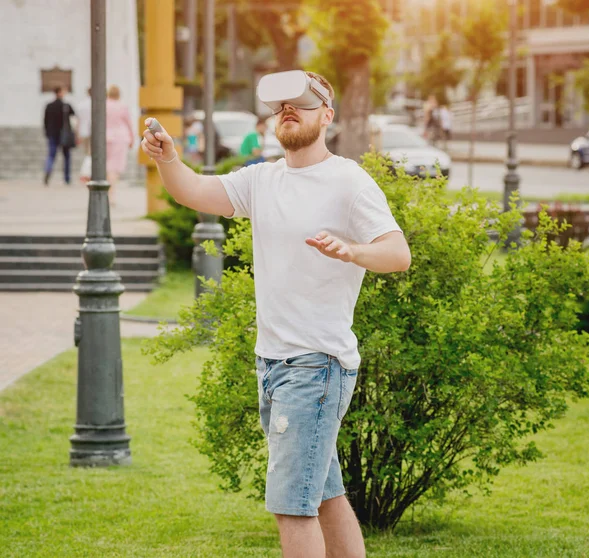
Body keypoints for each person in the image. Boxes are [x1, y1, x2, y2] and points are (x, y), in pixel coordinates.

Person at [141, 70, 411, 558]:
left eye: (303, 103)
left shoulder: (347, 179)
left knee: (292, 507)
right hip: (274, 366)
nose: (289, 110)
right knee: (325, 495)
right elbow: (194, 191)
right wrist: (169, 161)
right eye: (282, 104)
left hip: (316, 365)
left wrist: (352, 251)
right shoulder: (261, 179)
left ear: (327, 115)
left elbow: (397, 253)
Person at [105, 85, 135, 205]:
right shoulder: (122, 107)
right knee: (114, 168)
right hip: (120, 138)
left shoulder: (103, 105)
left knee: (107, 166)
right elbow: (129, 124)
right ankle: (111, 194)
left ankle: (107, 192)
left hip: (105, 137)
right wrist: (132, 138)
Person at [43, 86, 76, 186]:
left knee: (51, 155)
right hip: (64, 134)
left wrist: (47, 133)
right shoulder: (66, 106)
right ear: (60, 93)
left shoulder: (49, 106)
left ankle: (48, 170)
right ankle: (67, 178)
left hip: (52, 134)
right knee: (66, 157)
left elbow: (45, 121)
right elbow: (73, 117)